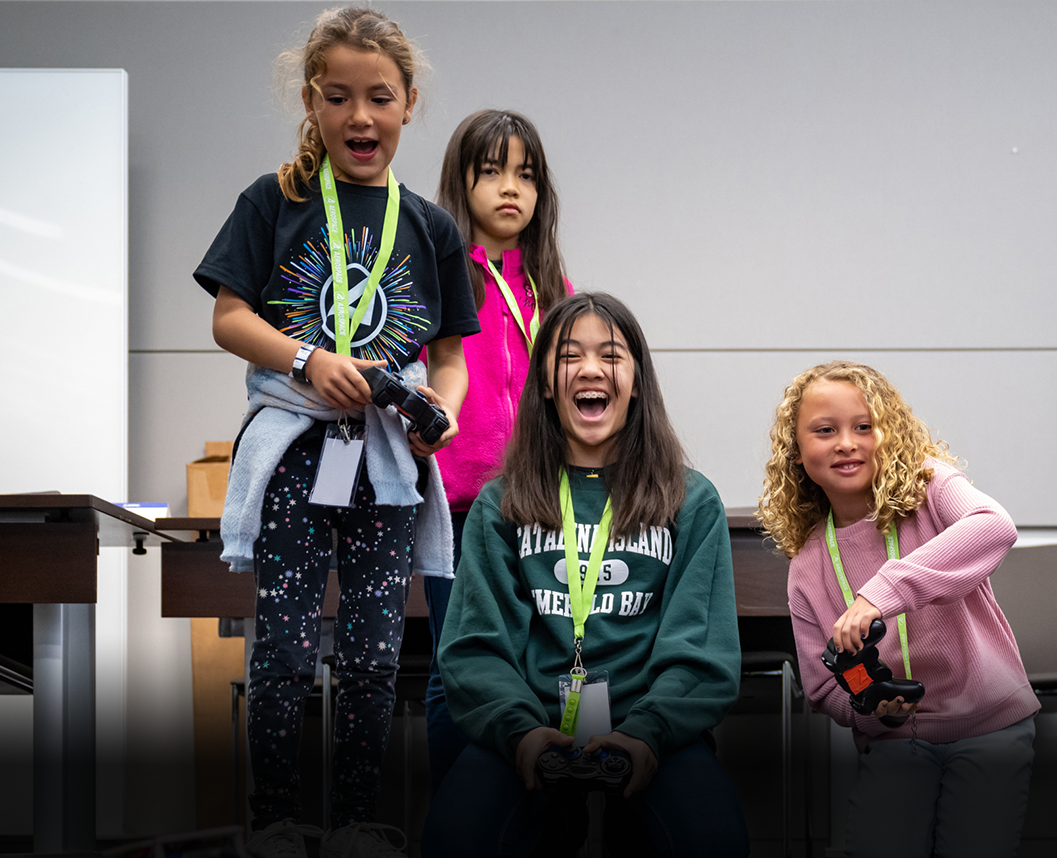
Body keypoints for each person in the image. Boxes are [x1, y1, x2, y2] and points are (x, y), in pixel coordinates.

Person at [192, 7, 474, 857]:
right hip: (296, 449)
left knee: (375, 655)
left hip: (387, 459)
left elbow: (450, 355)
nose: (361, 117)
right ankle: (274, 820)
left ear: (409, 104)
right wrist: (308, 360)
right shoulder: (272, 201)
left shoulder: (430, 225)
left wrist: (444, 414)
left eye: (380, 98)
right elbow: (228, 319)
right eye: (341, 98)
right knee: (281, 646)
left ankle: (356, 822)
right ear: (313, 102)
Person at [424, 293, 749, 857]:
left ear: (638, 381)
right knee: (456, 840)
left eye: (612, 356)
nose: (592, 369)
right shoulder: (501, 501)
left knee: (713, 842)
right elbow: (475, 649)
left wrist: (644, 734)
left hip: (652, 734)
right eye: (570, 355)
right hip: (527, 732)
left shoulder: (690, 500)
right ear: (546, 381)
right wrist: (522, 734)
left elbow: (701, 654)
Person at [759, 361, 1043, 858]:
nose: (847, 442)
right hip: (895, 740)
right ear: (797, 453)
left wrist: (881, 592)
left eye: (864, 427)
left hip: (990, 727)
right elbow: (825, 686)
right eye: (825, 431)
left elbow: (995, 526)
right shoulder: (807, 564)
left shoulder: (931, 486)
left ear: (889, 433)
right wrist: (870, 707)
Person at [424, 108, 575, 796]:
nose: (510, 188)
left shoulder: (553, 286)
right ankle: (464, 814)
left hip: (544, 505)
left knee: (539, 663)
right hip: (458, 506)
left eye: (526, 174)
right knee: (459, 665)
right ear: (463, 181)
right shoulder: (434, 274)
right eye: (491, 172)